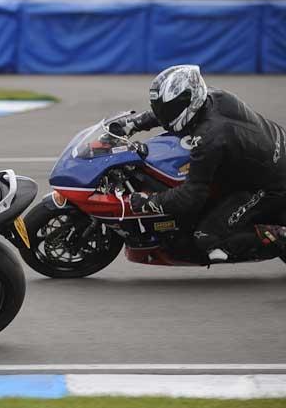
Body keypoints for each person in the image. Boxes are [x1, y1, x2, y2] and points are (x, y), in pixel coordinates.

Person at [112, 64, 286, 261]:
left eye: (170, 109)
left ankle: (277, 235)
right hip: (270, 152)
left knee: (207, 238)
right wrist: (136, 122)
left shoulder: (210, 137)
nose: (165, 113)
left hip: (269, 184)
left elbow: (191, 195)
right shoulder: (211, 97)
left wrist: (150, 202)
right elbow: (169, 111)